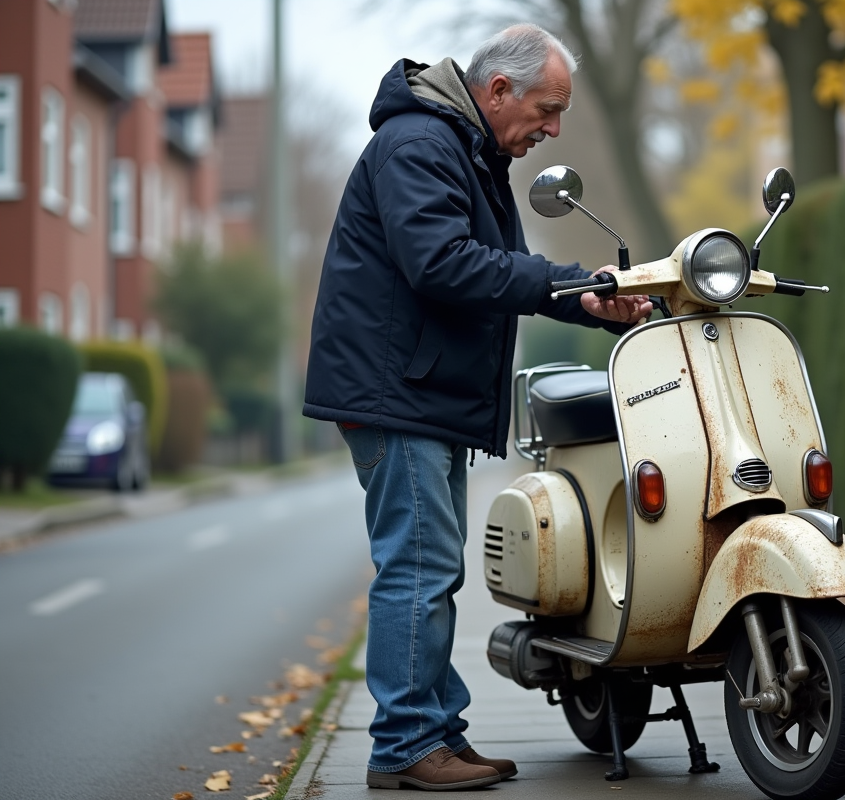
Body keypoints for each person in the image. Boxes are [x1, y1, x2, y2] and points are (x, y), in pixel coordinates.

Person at [303, 24, 651, 792]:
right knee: (417, 570)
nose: (552, 130)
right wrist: (564, 283)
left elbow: (497, 269)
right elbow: (442, 264)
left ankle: (435, 732)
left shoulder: (465, 151)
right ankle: (404, 746)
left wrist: (586, 300)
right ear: (497, 91)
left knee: (431, 567)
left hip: (416, 392)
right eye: (547, 110)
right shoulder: (420, 145)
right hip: (398, 396)